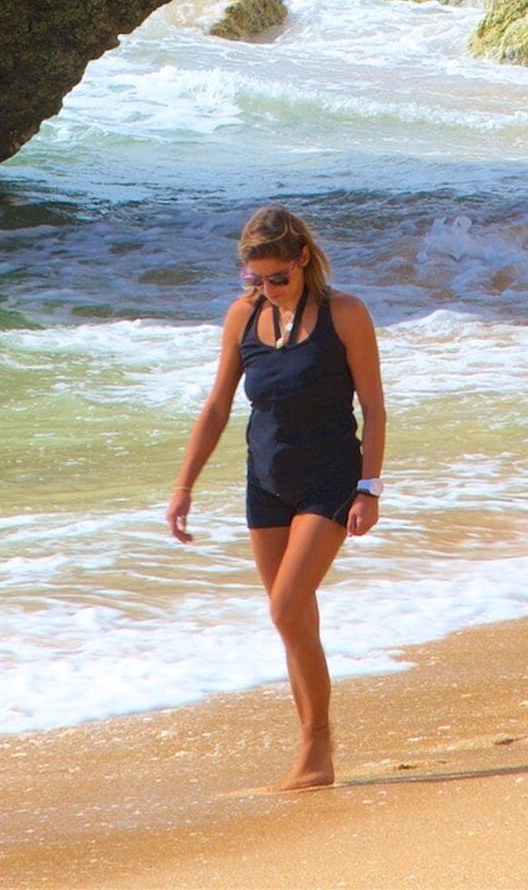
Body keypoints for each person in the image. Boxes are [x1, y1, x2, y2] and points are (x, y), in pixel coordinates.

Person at [165, 202, 388, 791]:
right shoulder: (242, 316)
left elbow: (373, 405)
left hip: (331, 480)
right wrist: (184, 484)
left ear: (303, 260)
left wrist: (369, 487)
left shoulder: (346, 314)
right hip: (265, 482)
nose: (267, 288)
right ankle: (312, 743)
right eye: (254, 278)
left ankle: (318, 747)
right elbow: (216, 407)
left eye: (278, 278)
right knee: (295, 622)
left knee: (287, 605)